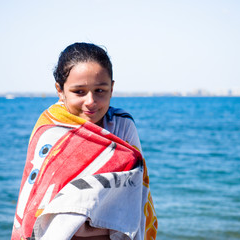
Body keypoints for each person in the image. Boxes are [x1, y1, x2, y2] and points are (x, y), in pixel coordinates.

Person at [12, 42, 157, 240]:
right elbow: (39, 199)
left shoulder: (122, 125)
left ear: (112, 88)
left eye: (100, 90)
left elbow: (134, 188)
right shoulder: (50, 130)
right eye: (79, 92)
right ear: (60, 90)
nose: (90, 101)